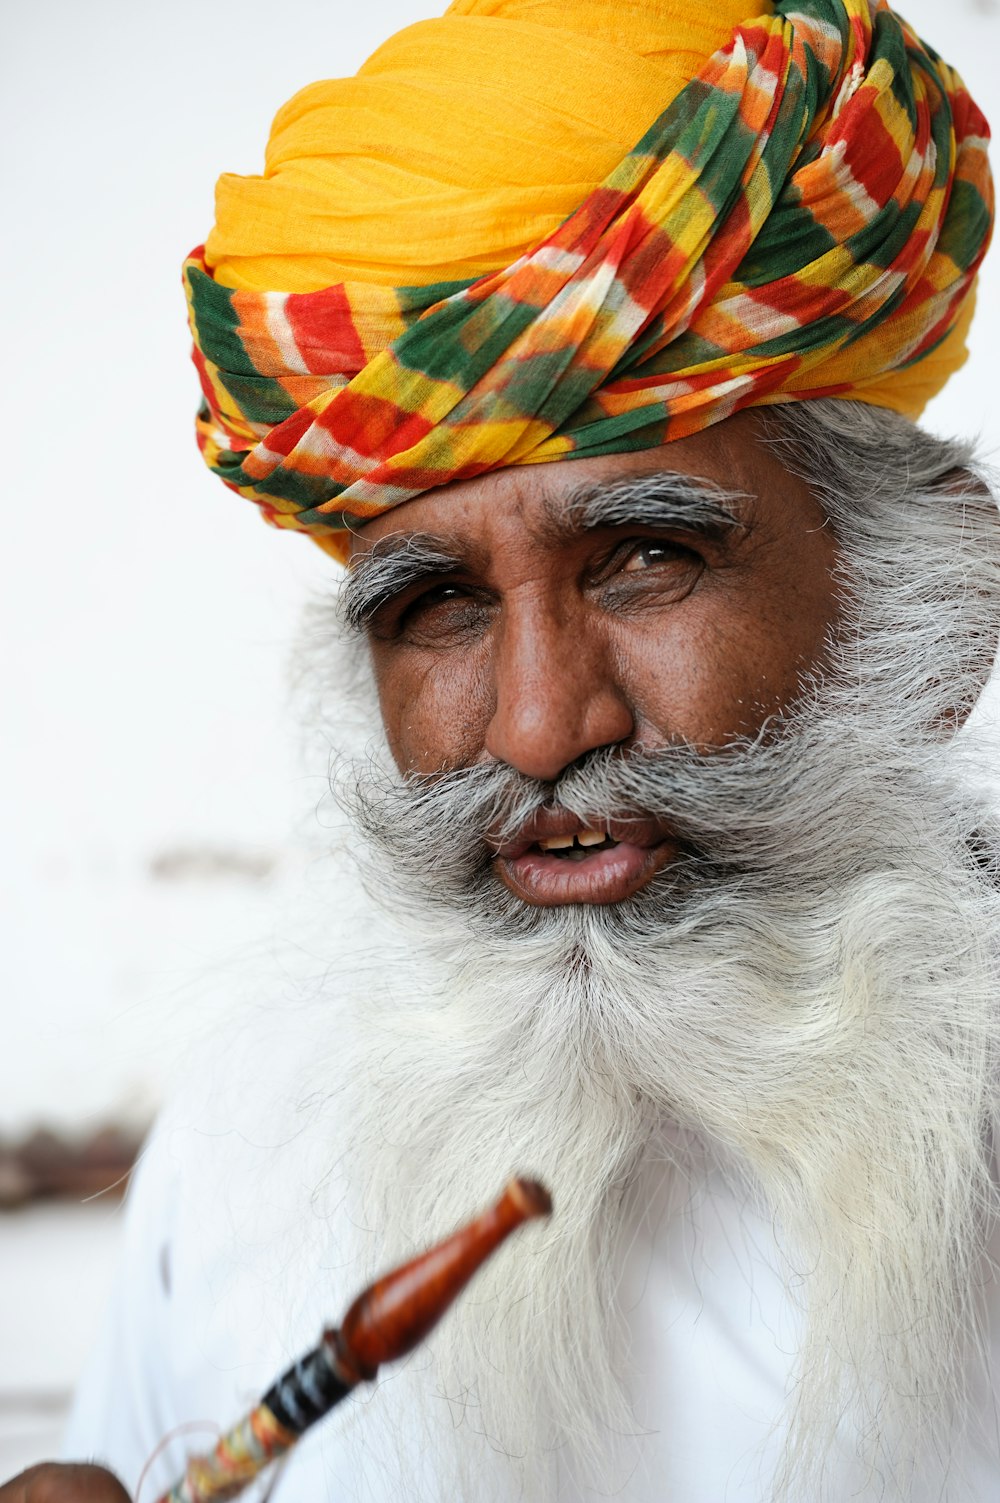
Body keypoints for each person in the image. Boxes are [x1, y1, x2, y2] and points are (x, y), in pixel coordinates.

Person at [6, 0, 999, 1498]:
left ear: (936, 621)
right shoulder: (250, 1145)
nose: (540, 729)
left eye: (650, 558)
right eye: (438, 605)